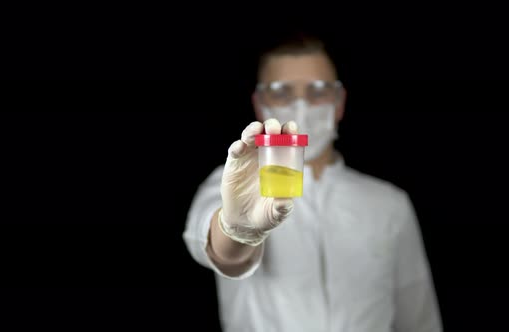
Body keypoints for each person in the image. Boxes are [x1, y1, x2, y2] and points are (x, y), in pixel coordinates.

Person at [183, 31, 443, 332]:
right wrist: (236, 230)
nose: (301, 106)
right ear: (259, 103)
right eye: (281, 91)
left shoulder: (389, 204)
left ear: (339, 101)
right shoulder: (234, 186)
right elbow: (219, 250)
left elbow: (418, 317)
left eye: (318, 91)